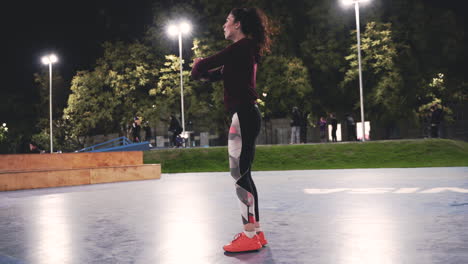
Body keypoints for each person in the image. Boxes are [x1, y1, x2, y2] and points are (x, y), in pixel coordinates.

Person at [191, 7, 272, 253]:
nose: (224, 25)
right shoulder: (245, 51)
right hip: (247, 114)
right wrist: (202, 72)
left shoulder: (241, 47)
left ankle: (249, 235)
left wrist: (198, 65)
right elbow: (212, 74)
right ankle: (256, 232)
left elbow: (204, 66)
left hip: (244, 115)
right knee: (244, 174)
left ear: (237, 25)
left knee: (239, 175)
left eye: (227, 21)